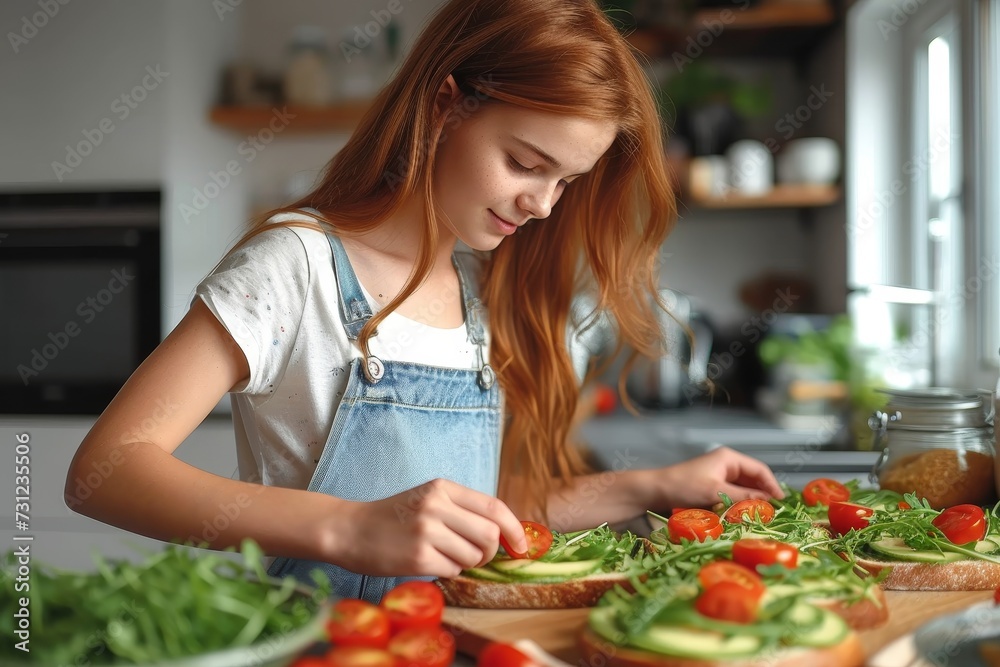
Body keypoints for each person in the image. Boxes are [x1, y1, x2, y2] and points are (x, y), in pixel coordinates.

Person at [65, 0, 783, 603]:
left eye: (564, 181)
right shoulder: (296, 265)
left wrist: (656, 484)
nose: (541, 205)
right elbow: (107, 469)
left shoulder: (479, 288)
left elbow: (481, 516)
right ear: (445, 104)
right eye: (527, 164)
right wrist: (346, 527)